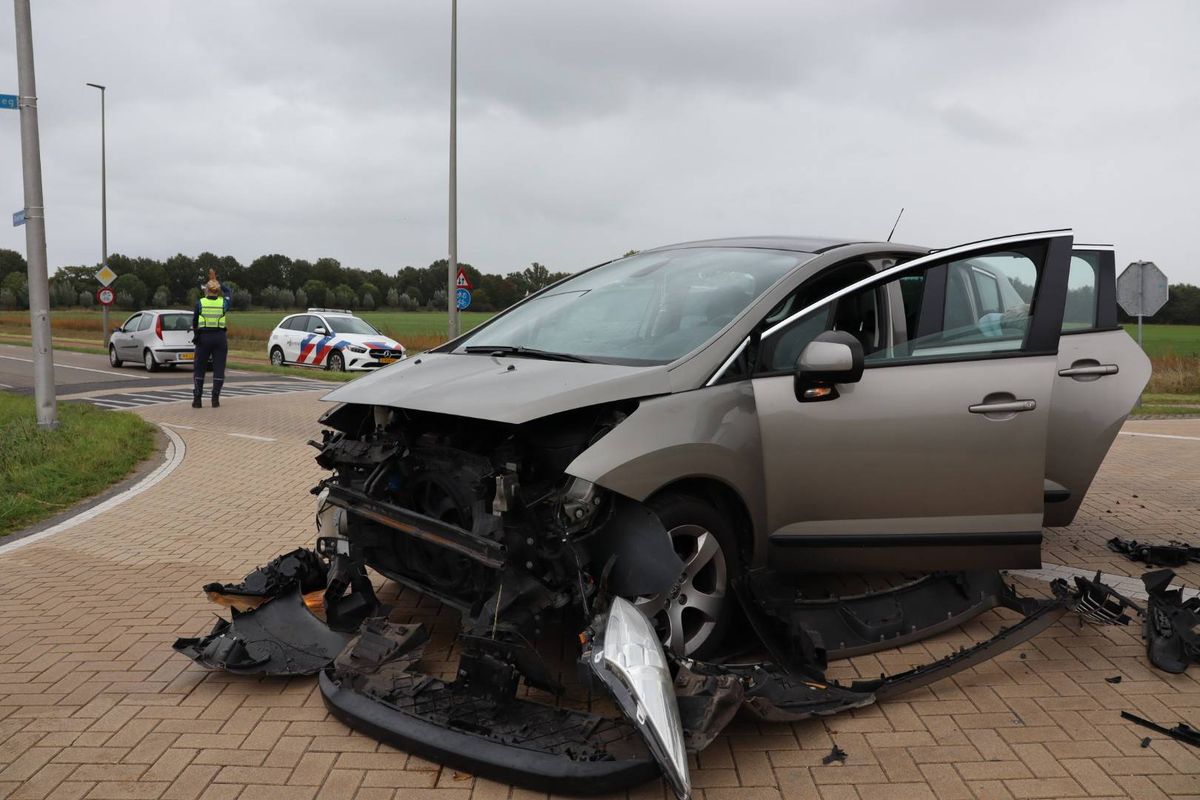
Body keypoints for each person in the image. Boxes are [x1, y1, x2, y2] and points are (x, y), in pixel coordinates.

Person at [192, 269, 231, 408]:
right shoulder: (223, 303)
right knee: (219, 368)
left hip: (204, 338)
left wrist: (196, 335)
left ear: (207, 290)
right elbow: (229, 293)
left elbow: (195, 321)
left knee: (199, 368)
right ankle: (215, 399)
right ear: (217, 290)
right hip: (220, 338)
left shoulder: (200, 303)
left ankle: (197, 399)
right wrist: (220, 284)